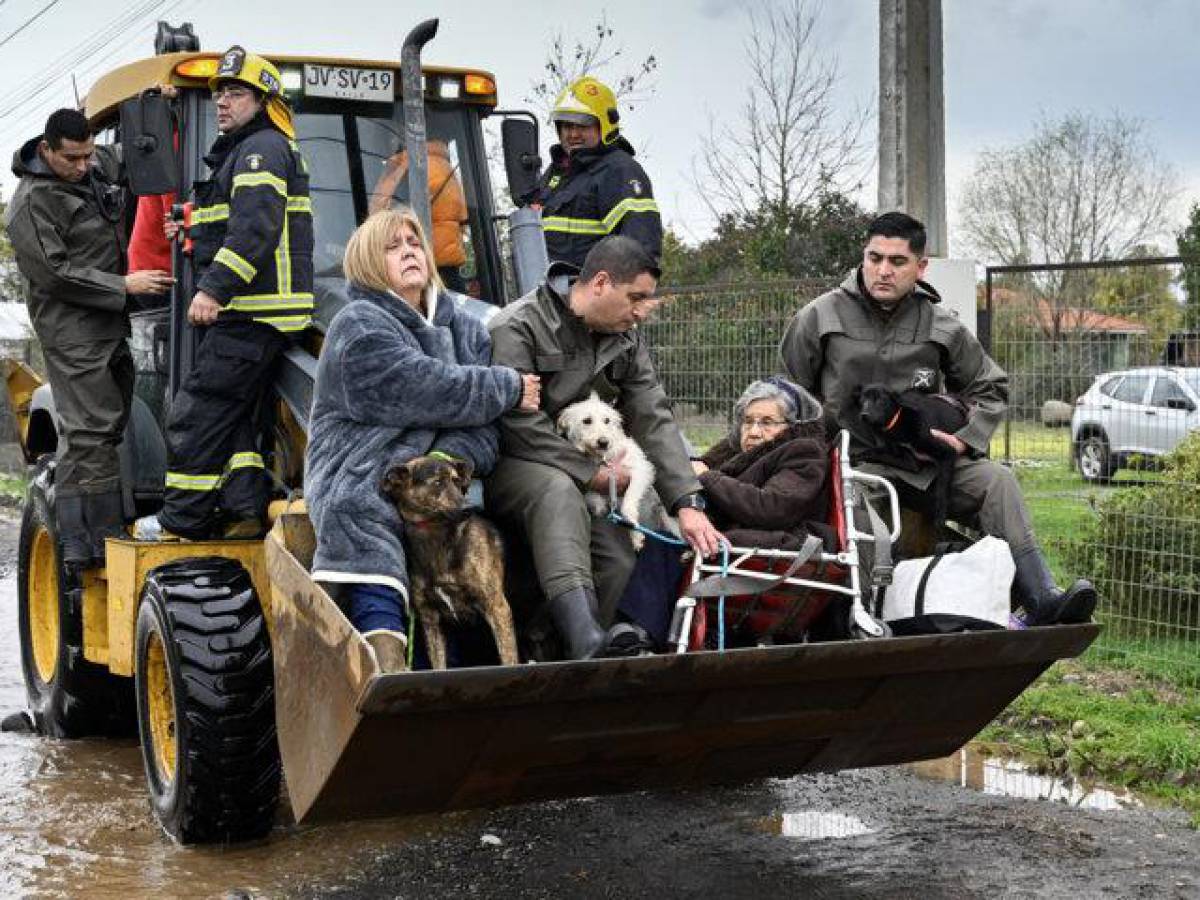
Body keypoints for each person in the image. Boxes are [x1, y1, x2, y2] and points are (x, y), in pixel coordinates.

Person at [779, 211, 1097, 627]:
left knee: (997, 482)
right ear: (863, 257)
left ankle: (1040, 597)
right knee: (869, 532)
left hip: (926, 464)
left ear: (920, 266)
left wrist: (965, 440)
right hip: (853, 468)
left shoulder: (942, 325)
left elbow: (991, 387)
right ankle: (867, 621)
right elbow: (789, 397)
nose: (883, 271)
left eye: (897, 262)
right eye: (874, 258)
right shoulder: (820, 317)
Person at [304, 207, 539, 671]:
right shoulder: (358, 326)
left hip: (441, 484)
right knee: (371, 533)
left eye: (414, 243)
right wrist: (506, 387)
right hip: (362, 475)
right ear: (371, 264)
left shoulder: (467, 328)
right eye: (393, 247)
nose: (409, 251)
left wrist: (443, 463)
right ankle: (385, 667)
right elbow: (423, 386)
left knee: (500, 531)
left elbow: (482, 430)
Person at [486, 235, 723, 660]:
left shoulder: (626, 338)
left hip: (594, 468)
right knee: (557, 492)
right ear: (599, 283)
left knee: (620, 555)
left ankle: (618, 659)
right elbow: (517, 422)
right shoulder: (517, 326)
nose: (641, 311)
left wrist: (687, 500)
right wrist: (590, 475)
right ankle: (582, 645)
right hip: (519, 461)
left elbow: (653, 414)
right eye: (635, 297)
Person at [135, 46, 314, 541]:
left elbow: (254, 232)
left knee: (197, 412)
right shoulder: (244, 152)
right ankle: (242, 508)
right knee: (238, 422)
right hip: (258, 312)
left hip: (252, 311)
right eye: (219, 94)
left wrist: (212, 290)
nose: (222, 102)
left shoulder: (261, 151)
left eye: (235, 93)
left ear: (264, 101)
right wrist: (187, 224)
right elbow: (229, 219)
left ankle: (180, 521)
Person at [5, 108, 172, 569]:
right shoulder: (31, 203)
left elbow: (135, 157)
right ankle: (100, 540)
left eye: (88, 155)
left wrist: (160, 105)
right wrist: (125, 286)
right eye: (72, 159)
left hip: (109, 324)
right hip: (72, 331)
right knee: (94, 432)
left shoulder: (93, 166)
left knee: (102, 431)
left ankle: (75, 544)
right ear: (47, 151)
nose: (84, 166)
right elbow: (56, 275)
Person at [618, 378, 832, 646]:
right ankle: (637, 629)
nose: (753, 431)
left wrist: (708, 478)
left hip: (782, 540)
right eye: (748, 421)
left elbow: (773, 507)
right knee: (660, 526)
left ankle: (640, 631)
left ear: (793, 425)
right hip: (743, 533)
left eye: (767, 422)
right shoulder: (735, 453)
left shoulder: (803, 451)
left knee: (676, 537)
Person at [529, 76, 662, 269]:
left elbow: (640, 249)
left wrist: (616, 294)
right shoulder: (557, 173)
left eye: (582, 125)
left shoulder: (619, 170)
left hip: (594, 295)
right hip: (550, 293)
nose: (573, 134)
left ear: (605, 126)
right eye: (566, 125)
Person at [368, 139, 469, 292]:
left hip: (418, 269)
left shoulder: (407, 167)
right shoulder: (446, 168)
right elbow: (462, 218)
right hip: (447, 267)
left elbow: (380, 220)